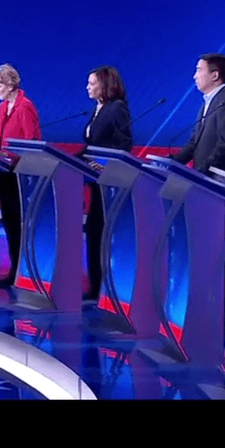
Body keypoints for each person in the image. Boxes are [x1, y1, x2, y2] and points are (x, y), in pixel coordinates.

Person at [171, 53, 225, 323]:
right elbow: (194, 143)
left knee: (217, 250)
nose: (194, 75)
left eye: (199, 70)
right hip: (203, 186)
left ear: (215, 75)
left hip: (216, 188)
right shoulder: (208, 102)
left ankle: (218, 313)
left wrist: (200, 175)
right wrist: (172, 165)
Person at [77, 65, 132, 300]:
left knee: (100, 230)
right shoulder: (98, 108)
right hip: (94, 180)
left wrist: (107, 165)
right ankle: (94, 285)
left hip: (109, 182)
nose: (87, 87)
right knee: (93, 229)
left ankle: (101, 287)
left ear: (105, 84)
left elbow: (125, 145)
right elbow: (91, 146)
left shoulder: (116, 108)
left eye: (92, 83)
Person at [0, 64, 42, 287]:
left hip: (20, 173)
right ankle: (13, 268)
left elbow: (31, 142)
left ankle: (23, 269)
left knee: (19, 221)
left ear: (10, 85)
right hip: (3, 170)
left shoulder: (25, 106)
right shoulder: (2, 108)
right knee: (9, 221)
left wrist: (8, 155)